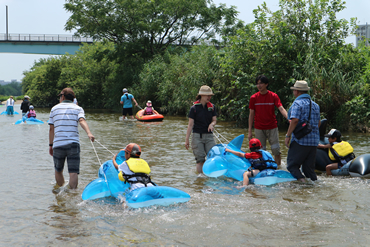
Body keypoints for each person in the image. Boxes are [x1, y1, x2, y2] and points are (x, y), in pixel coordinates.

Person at [48, 87, 95, 189]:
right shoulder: (78, 108)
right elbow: (82, 120)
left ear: (63, 96)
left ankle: (60, 191)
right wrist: (89, 133)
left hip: (58, 144)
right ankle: (72, 194)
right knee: (73, 172)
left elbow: (51, 129)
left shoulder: (54, 108)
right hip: (73, 144)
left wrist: (51, 145)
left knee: (58, 170)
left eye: (60, 96)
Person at [248, 75, 288, 167]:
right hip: (259, 128)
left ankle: (278, 168)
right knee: (260, 151)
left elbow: (281, 108)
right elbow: (251, 114)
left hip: (272, 127)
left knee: (276, 150)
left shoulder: (273, 96)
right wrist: (250, 131)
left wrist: (288, 118)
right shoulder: (253, 98)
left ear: (266, 84)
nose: (259, 85)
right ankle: (263, 168)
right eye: (257, 84)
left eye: (261, 83)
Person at [285, 80, 320, 182]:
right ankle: (315, 186)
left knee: (292, 166)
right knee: (308, 169)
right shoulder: (315, 105)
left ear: (297, 91)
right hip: (313, 142)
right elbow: (318, 123)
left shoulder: (297, 103)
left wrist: (288, 136)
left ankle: (303, 184)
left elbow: (295, 120)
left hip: (300, 141)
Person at [185, 85, 217, 173]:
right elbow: (190, 125)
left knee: (213, 157)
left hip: (209, 137)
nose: (209, 97)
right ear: (202, 95)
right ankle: (200, 180)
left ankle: (210, 175)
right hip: (197, 137)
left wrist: (212, 124)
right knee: (200, 160)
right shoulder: (194, 108)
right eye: (207, 95)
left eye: (210, 95)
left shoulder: (212, 107)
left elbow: (214, 120)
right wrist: (187, 139)